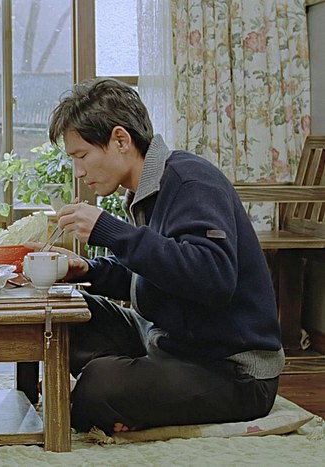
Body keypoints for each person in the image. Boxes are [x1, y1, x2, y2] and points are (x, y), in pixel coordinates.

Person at [42, 78, 284, 435]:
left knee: (98, 385)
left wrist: (110, 231)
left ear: (120, 140)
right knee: (62, 318)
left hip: (232, 370)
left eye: (82, 156)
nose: (79, 172)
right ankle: (139, 395)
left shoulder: (191, 182)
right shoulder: (145, 191)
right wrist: (86, 270)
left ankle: (124, 394)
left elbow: (213, 279)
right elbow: (154, 273)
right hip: (169, 342)